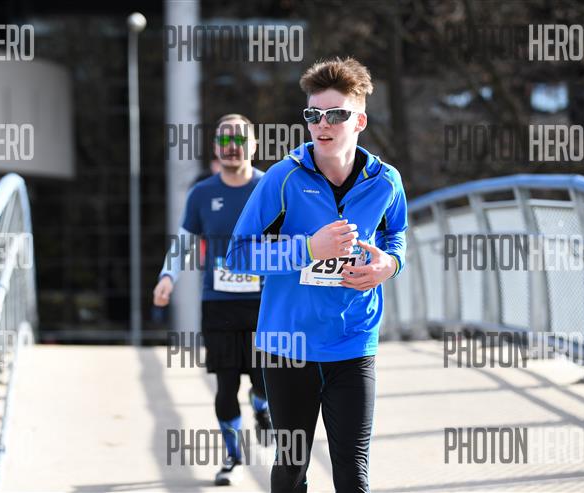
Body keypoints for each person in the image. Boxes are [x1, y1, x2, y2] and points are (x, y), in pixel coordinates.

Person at [226, 57, 408, 492]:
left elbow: (396, 234)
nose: (322, 124)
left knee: (353, 471)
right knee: (292, 469)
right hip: (288, 345)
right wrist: (308, 249)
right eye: (313, 115)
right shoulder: (282, 178)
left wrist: (389, 265)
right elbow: (237, 255)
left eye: (336, 115)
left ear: (359, 120)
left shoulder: (386, 181)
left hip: (353, 341)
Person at [153, 114, 272, 486]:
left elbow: (295, 238)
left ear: (254, 145)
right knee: (225, 384)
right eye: (224, 141)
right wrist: (167, 277)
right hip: (218, 303)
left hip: (264, 303)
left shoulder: (270, 187)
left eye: (240, 140)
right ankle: (233, 455)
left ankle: (262, 406)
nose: (232, 147)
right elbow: (184, 241)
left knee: (265, 379)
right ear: (216, 148)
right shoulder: (202, 193)